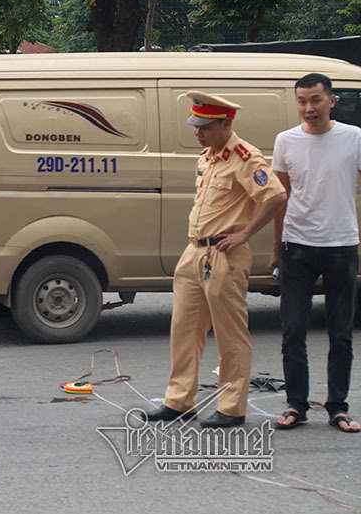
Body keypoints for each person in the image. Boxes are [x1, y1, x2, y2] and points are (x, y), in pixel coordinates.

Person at [143, 91, 286, 428]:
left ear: (225, 124)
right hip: (195, 252)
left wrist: (245, 233)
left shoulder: (245, 157)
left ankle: (231, 407)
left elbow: (276, 195)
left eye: (205, 126)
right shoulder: (207, 156)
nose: (197, 132)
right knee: (184, 330)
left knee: (229, 334)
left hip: (225, 254)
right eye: (196, 125)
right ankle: (179, 401)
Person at [271, 73, 361, 433]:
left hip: (341, 245)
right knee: (293, 330)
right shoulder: (285, 141)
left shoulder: (354, 137)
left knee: (340, 332)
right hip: (298, 246)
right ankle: (296, 405)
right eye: (302, 101)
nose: (309, 108)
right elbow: (279, 198)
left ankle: (338, 407)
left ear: (332, 101)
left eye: (316, 100)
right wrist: (277, 249)